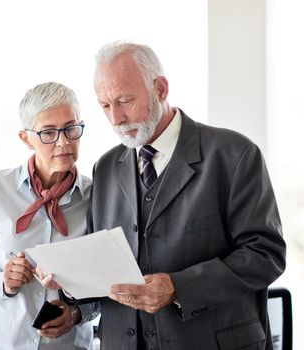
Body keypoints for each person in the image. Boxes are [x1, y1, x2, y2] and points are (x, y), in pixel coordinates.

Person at [88, 41, 287, 349]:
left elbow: (266, 255)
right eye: (105, 105)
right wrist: (71, 306)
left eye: (125, 101)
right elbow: (100, 265)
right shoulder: (105, 168)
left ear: (161, 89)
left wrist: (179, 287)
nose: (115, 118)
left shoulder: (234, 155)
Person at [0, 82, 97, 350]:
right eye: (48, 133)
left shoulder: (97, 197)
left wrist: (78, 314)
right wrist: (3, 282)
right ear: (26, 138)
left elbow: (108, 283)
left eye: (71, 128)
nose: (63, 141)